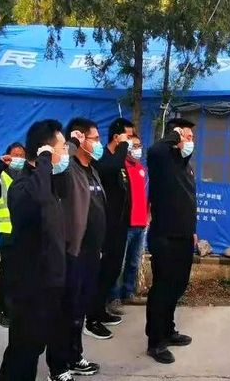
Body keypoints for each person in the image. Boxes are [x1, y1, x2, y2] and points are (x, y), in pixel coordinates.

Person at [0, 119, 72, 381]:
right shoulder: (23, 186)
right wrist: (44, 161)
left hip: (50, 281)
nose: (66, 153)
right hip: (30, 286)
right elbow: (38, 199)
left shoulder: (46, 181)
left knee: (36, 345)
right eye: (62, 148)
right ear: (45, 151)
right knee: (23, 351)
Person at [43, 117, 106, 379]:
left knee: (79, 308)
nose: (99, 143)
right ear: (79, 138)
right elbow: (56, 167)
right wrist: (70, 144)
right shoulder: (68, 169)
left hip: (91, 252)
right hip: (72, 252)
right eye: (95, 138)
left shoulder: (92, 170)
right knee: (65, 310)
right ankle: (58, 366)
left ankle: (74, 354)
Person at [144, 118, 197, 364]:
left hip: (184, 235)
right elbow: (155, 150)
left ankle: (168, 329)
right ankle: (155, 342)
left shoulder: (184, 164)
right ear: (174, 137)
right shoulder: (162, 160)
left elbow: (188, 200)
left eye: (192, 137)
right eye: (187, 136)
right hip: (165, 236)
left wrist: (193, 230)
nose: (191, 141)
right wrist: (174, 136)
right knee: (162, 289)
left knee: (178, 285)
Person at [85, 118, 133, 339]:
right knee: (101, 273)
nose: (130, 141)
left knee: (113, 270)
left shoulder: (119, 160)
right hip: (105, 227)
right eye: (128, 136)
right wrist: (123, 146)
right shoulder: (102, 158)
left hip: (119, 226)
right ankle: (91, 319)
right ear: (116, 137)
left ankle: (101, 310)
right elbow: (110, 168)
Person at [0, 142, 27, 328]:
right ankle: (3, 311)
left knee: (22, 274)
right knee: (8, 274)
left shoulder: (27, 174)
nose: (18, 158)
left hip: (25, 232)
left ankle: (18, 308)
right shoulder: (0, 175)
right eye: (14, 154)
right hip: (8, 232)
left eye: (21, 155)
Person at [109, 133, 149, 315]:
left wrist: (147, 216)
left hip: (141, 223)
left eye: (139, 145)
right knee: (119, 263)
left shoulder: (141, 168)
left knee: (134, 261)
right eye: (134, 145)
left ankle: (128, 292)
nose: (138, 149)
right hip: (126, 224)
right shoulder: (121, 167)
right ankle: (114, 297)